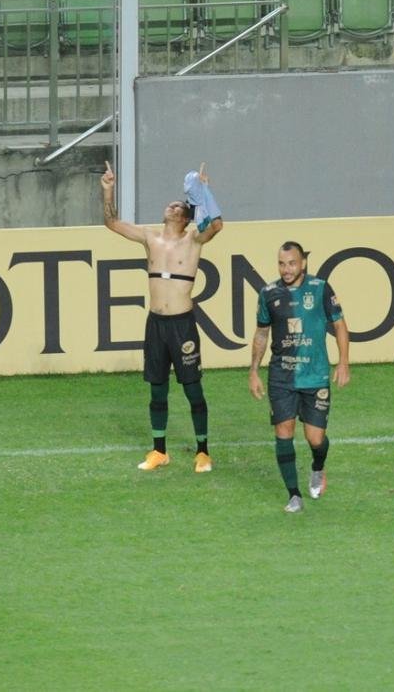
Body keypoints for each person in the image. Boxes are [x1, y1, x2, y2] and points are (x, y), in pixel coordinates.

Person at [101, 161, 224, 472]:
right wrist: (107, 190)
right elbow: (112, 222)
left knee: (192, 388)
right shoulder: (149, 238)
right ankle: (159, 451)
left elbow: (217, 226)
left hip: (182, 325)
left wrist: (204, 191)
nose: (170, 206)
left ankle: (203, 451)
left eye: (178, 205)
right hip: (155, 324)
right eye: (170, 205)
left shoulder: (193, 239)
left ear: (185, 217)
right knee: (157, 388)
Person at [249, 242, 350, 513]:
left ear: (302, 263)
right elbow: (261, 333)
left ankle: (318, 467)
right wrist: (254, 371)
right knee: (284, 432)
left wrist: (343, 362)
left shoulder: (319, 289)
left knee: (315, 439)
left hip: (315, 375)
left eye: (291, 263)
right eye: (281, 264)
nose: (286, 269)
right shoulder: (268, 293)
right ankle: (294, 495)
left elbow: (339, 325)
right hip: (281, 375)